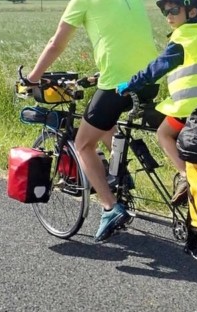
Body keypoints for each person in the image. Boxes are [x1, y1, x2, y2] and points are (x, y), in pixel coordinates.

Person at [23, 0, 159, 242]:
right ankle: (121, 176)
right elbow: (126, 39)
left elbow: (57, 43)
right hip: (149, 79)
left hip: (118, 82)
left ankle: (110, 207)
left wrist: (33, 78)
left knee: (84, 143)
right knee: (104, 122)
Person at [116, 0, 197, 207]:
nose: (169, 16)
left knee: (164, 133)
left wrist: (132, 84)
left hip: (196, 106)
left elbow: (158, 67)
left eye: (174, 10)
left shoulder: (184, 37)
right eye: (166, 12)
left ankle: (185, 175)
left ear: (192, 12)